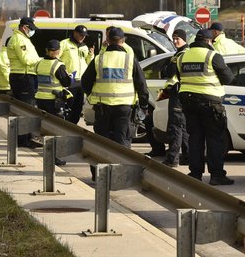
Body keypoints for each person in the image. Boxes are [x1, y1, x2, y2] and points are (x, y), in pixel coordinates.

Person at [81, 27, 149, 175]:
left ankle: (99, 175)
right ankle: (122, 175)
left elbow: (85, 81)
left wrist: (93, 95)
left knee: (101, 142)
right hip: (124, 108)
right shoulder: (130, 59)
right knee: (122, 142)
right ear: (123, 41)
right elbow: (142, 85)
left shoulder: (99, 59)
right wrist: (143, 105)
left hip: (102, 107)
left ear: (108, 40)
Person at [175, 29, 234, 185]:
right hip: (210, 103)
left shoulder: (182, 57)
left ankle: (195, 174)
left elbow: (179, 75)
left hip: (188, 102)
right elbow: (228, 78)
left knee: (195, 138)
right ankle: (216, 175)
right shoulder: (212, 56)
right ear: (209, 41)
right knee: (214, 139)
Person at [34, 39, 72, 165]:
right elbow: (66, 82)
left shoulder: (39, 63)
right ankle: (54, 157)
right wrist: (69, 77)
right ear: (58, 51)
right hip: (54, 101)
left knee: (45, 128)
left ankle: (47, 153)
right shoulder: (58, 65)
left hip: (40, 99)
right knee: (56, 129)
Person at [7, 17, 41, 147]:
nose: (32, 31)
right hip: (23, 77)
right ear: (24, 27)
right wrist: (38, 61)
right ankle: (23, 140)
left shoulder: (24, 38)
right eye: (31, 29)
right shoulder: (19, 39)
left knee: (27, 109)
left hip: (25, 76)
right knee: (25, 110)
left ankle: (26, 138)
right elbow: (26, 59)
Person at [159, 28, 189, 166]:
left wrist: (167, 67)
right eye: (174, 39)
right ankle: (187, 156)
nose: (175, 41)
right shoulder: (180, 53)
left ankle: (172, 159)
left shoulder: (181, 54)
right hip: (180, 93)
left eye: (178, 39)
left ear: (184, 39)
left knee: (175, 127)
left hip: (177, 93)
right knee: (182, 128)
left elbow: (168, 72)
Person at [58, 24, 94, 124]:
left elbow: (88, 62)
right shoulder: (64, 44)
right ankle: (67, 126)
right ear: (75, 33)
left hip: (81, 81)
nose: (83, 37)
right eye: (81, 35)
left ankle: (73, 126)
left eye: (84, 35)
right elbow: (56, 59)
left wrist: (91, 55)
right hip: (70, 80)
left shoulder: (85, 47)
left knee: (78, 108)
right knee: (69, 106)